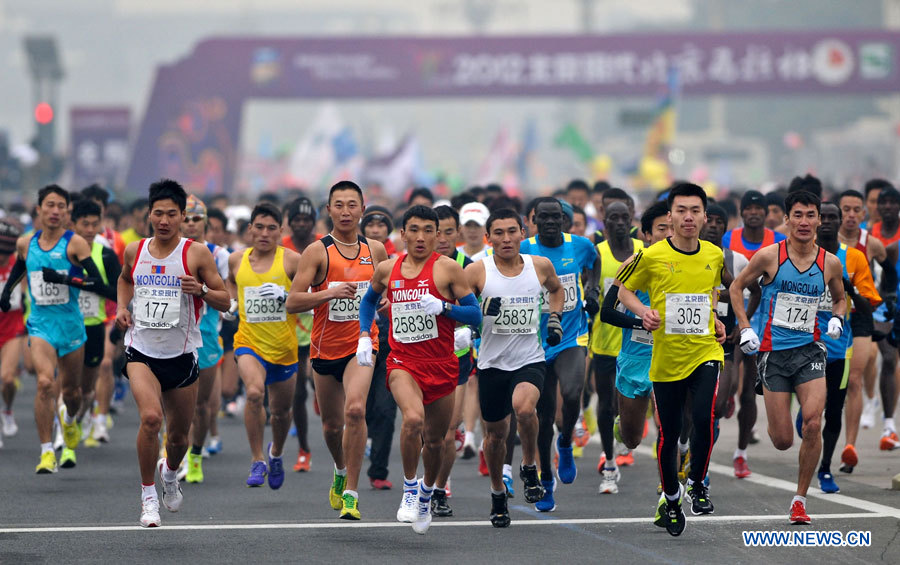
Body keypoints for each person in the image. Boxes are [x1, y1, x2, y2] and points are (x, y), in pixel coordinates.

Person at [356, 205, 482, 534]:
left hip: (441, 364)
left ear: (438, 235)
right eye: (414, 229)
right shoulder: (387, 269)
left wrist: (444, 307)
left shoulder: (449, 270)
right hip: (403, 362)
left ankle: (427, 493)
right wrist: (364, 337)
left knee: (437, 441)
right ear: (403, 233)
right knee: (413, 420)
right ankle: (410, 489)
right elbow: (368, 301)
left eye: (429, 230)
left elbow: (476, 314)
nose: (421, 237)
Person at [115, 179, 231, 527]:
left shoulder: (195, 254)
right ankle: (148, 496)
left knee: (179, 436)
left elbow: (225, 300)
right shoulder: (135, 251)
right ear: (148, 215)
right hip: (141, 351)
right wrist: (123, 307)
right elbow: (124, 279)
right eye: (157, 214)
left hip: (181, 357)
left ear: (182, 216)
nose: (164, 220)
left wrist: (202, 289)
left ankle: (170, 471)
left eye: (171, 214)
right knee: (151, 419)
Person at [616, 183, 727, 536]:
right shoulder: (649, 256)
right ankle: (671, 496)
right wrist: (643, 313)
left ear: (705, 216)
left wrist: (716, 320)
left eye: (695, 210)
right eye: (681, 210)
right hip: (665, 358)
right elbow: (623, 290)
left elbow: (711, 292)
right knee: (670, 433)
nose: (689, 217)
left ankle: (696, 483)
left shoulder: (714, 254)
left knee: (703, 417)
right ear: (670, 216)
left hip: (705, 350)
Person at [731, 190, 846, 525]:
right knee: (782, 440)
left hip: (810, 351)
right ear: (786, 219)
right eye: (798, 215)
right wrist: (745, 328)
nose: (805, 222)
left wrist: (838, 318)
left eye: (811, 215)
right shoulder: (769, 256)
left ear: (819, 220)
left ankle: (799, 500)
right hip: (773, 354)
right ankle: (775, 405)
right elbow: (737, 287)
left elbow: (840, 298)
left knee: (813, 424)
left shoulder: (829, 263)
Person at [285, 180, 388, 520]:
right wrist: (327, 293)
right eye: (339, 205)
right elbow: (293, 301)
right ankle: (340, 468)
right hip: (324, 349)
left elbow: (381, 296)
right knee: (331, 426)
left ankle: (352, 494)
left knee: (355, 411)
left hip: (362, 343)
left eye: (352, 205)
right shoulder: (317, 252)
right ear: (328, 210)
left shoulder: (376, 251)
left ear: (362, 208)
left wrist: (384, 304)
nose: (346, 211)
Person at [0, 185, 107, 474]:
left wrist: (64, 278)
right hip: (41, 325)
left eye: (61, 206)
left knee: (72, 393)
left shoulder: (76, 244)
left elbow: (96, 283)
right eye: (50, 205)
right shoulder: (25, 243)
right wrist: (8, 290)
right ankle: (47, 451)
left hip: (71, 326)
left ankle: (70, 422)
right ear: (39, 210)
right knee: (45, 383)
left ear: (67, 213)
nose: (55, 211)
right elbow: (20, 268)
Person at [469, 208, 565, 526]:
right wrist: (479, 309)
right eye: (499, 233)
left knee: (524, 410)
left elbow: (557, 289)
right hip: (492, 364)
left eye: (512, 231)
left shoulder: (539, 266)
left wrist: (554, 318)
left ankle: (528, 466)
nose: (506, 238)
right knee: (495, 437)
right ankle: (498, 492)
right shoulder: (476, 271)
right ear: (489, 238)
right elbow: (457, 306)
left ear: (523, 233)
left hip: (529, 359)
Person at [519, 197, 600, 511]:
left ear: (565, 220)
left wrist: (591, 291)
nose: (551, 223)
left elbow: (595, 263)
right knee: (542, 414)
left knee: (571, 392)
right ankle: (546, 480)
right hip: (533, 341)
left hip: (571, 336)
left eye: (557, 218)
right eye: (545, 218)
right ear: (535, 219)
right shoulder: (524, 248)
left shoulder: (579, 245)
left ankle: (565, 442)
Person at [228, 202, 301, 490]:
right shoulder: (236, 260)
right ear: (249, 230)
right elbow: (230, 282)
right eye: (259, 227)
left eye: (272, 228)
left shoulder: (293, 261)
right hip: (249, 343)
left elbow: (310, 296)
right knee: (255, 394)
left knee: (281, 412)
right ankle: (258, 459)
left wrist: (287, 294)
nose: (264, 233)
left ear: (281, 232)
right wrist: (232, 302)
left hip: (284, 348)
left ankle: (277, 453)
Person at [808, 202, 878, 493]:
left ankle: (824, 468)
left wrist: (847, 286)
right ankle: (808, 419)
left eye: (831, 217)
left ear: (840, 222)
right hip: (805, 345)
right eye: (820, 217)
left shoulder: (855, 259)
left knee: (833, 410)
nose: (825, 222)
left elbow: (867, 306)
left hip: (838, 347)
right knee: (812, 413)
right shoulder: (801, 255)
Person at [599, 202, 670, 459]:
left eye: (673, 228)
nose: (669, 233)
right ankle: (623, 426)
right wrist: (642, 323)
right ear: (646, 235)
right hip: (635, 358)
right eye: (663, 228)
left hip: (671, 357)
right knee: (632, 439)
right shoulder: (633, 263)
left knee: (669, 428)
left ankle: (670, 491)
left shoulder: (689, 264)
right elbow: (607, 312)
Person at [836, 188, 895, 470]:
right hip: (828, 316)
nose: (850, 215)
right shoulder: (824, 241)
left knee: (855, 379)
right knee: (829, 382)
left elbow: (891, 272)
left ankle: (850, 446)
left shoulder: (870, 244)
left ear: (863, 214)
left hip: (860, 315)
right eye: (845, 209)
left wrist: (886, 301)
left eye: (855, 210)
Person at [590, 201, 643, 494]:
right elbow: (591, 288)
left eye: (625, 217)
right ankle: (609, 462)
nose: (620, 222)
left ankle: (628, 438)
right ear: (604, 221)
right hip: (605, 340)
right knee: (606, 403)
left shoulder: (641, 250)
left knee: (628, 405)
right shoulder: (598, 253)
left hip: (637, 345)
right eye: (614, 218)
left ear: (632, 219)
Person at [180, 195, 230, 483]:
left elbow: (228, 297)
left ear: (206, 223)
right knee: (172, 403)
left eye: (196, 219)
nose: (190, 224)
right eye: (185, 219)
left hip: (207, 335)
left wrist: (202, 291)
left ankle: (196, 456)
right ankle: (174, 450)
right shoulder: (165, 252)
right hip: (172, 335)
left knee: (200, 405)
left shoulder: (218, 255)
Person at [430, 205, 475, 516]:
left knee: (446, 431)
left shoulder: (468, 267)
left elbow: (480, 313)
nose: (443, 238)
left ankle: (438, 488)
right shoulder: (413, 266)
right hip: (420, 358)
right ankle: (419, 482)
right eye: (438, 231)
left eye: (449, 231)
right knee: (424, 431)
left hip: (456, 357)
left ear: (458, 233)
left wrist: (468, 330)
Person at [69, 199, 120, 459]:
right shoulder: (60, 250)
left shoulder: (107, 253)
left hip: (97, 323)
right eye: (84, 224)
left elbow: (116, 292)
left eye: (94, 224)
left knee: (88, 384)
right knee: (59, 382)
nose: (90, 229)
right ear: (73, 224)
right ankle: (60, 433)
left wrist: (89, 285)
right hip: (64, 325)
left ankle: (88, 416)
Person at [360, 206, 399, 489]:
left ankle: (378, 471)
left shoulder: (401, 261)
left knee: (386, 409)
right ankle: (363, 440)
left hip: (390, 343)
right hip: (358, 342)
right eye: (370, 225)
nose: (375, 230)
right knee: (362, 407)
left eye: (381, 225)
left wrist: (391, 303)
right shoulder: (354, 258)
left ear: (389, 230)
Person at [281, 196, 320, 473]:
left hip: (321, 328)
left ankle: (322, 393)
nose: (302, 224)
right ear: (289, 222)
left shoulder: (323, 245)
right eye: (297, 220)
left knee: (317, 384)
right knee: (296, 396)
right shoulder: (281, 248)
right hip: (289, 332)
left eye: (307, 219)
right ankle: (304, 449)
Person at [868, 186, 900, 450]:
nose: (888, 207)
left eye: (893, 202)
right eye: (883, 202)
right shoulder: (872, 236)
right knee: (888, 358)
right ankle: (889, 424)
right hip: (883, 308)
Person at [0, 219, 25, 442]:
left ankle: (7, 410)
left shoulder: (18, 265)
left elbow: (28, 293)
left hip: (12, 328)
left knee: (8, 379)